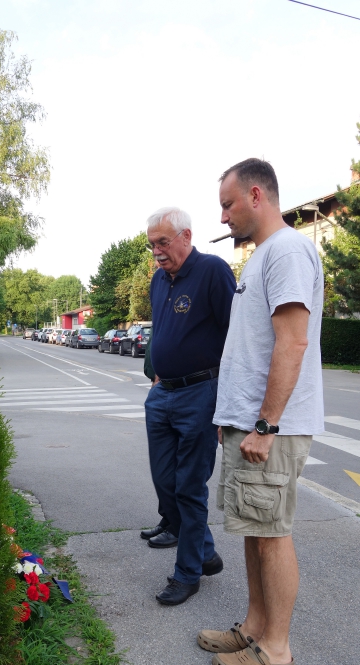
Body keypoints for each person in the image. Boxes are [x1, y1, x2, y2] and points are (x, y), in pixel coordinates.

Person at [198, 158, 324, 665]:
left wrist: (266, 425)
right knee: (254, 527)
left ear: (256, 195)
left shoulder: (288, 251)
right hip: (248, 424)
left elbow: (292, 342)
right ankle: (254, 627)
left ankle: (276, 649)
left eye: (228, 204)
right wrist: (232, 417)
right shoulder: (263, 255)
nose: (223, 216)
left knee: (271, 532)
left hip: (270, 429)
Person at [145, 207, 236, 605]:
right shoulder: (158, 280)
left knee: (189, 487)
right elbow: (161, 332)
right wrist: (156, 376)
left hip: (201, 392)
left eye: (163, 243)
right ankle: (204, 551)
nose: (157, 252)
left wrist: (227, 406)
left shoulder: (212, 270)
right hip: (163, 393)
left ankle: (188, 573)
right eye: (152, 245)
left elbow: (237, 337)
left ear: (186, 236)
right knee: (166, 483)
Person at [140, 331, 178, 548]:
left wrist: (159, 378)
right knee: (162, 469)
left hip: (174, 386)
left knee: (174, 470)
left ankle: (178, 526)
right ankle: (169, 518)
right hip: (161, 386)